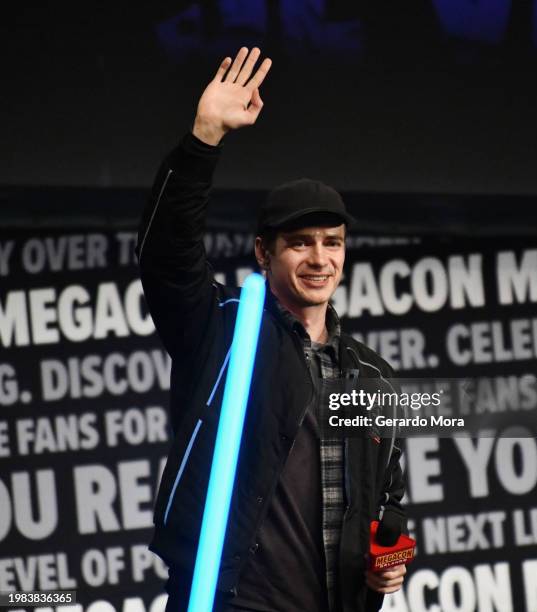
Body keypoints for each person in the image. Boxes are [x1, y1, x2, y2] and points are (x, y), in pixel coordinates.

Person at [136, 46, 407, 612]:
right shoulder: (223, 330)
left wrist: (387, 559)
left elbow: (388, 497)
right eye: (300, 243)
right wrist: (203, 139)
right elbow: (166, 254)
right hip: (229, 601)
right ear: (264, 251)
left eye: (332, 242)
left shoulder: (373, 375)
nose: (319, 258)